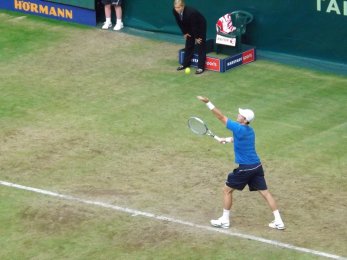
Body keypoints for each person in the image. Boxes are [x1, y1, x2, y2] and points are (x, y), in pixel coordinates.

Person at [197, 96, 285, 230]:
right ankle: (279, 221)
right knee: (265, 193)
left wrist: (208, 102)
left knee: (226, 190)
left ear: (244, 120)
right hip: (257, 166)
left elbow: (221, 117)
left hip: (246, 169)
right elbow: (238, 138)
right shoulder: (250, 131)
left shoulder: (238, 128)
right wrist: (226, 139)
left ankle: (225, 220)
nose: (238, 115)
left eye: (241, 115)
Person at [173, 0, 207, 74]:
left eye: (178, 7)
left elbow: (195, 26)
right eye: (175, 7)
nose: (177, 9)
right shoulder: (175, 11)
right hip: (189, 25)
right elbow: (179, 22)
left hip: (200, 25)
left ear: (183, 6)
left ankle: (201, 68)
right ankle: (185, 64)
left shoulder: (190, 13)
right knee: (188, 44)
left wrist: (197, 37)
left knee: (200, 45)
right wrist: (185, 32)